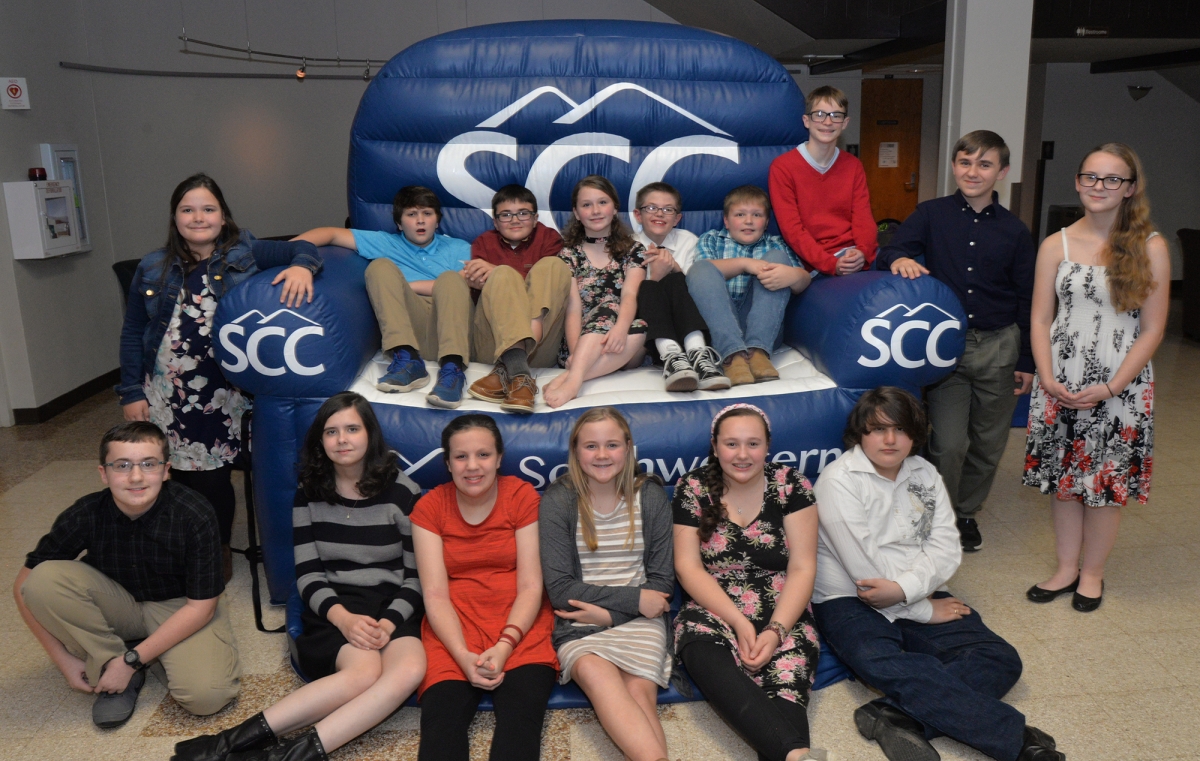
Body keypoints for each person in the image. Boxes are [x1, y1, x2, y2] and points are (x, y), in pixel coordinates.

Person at [812, 387, 1064, 761]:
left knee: (999, 658)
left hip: (920, 589)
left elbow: (946, 546)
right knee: (881, 661)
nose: (890, 439)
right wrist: (925, 611)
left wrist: (914, 593)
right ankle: (1019, 741)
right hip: (848, 598)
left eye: (900, 429)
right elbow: (867, 575)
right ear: (859, 434)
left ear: (915, 434)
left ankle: (896, 716)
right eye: (877, 429)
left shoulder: (924, 472)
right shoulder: (838, 481)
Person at [171, 393, 425, 761]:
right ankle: (226, 743)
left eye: (352, 428)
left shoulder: (403, 492)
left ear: (370, 434)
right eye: (331, 431)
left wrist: (388, 623)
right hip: (336, 604)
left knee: (411, 670)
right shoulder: (308, 494)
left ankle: (281, 757)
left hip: (393, 605)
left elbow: (416, 577)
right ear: (320, 441)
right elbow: (308, 575)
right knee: (364, 674)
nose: (342, 439)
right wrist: (345, 619)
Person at [118, 173, 321, 581]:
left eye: (208, 209)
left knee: (212, 477)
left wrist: (302, 268)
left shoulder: (244, 250)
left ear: (223, 216)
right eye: (187, 209)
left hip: (223, 393)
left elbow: (305, 247)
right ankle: (178, 545)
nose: (198, 217)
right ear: (174, 217)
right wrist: (129, 391)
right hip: (165, 391)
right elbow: (132, 331)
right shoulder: (152, 265)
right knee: (170, 472)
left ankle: (216, 548)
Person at [13, 422, 239, 729]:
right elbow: (23, 585)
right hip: (117, 603)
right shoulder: (86, 512)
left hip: (181, 606)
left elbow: (202, 608)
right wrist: (62, 660)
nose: (135, 477)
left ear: (166, 470)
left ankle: (134, 659)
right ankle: (111, 660)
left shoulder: (194, 513)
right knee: (42, 580)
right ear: (103, 474)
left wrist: (132, 661)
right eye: (122, 466)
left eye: (149, 464)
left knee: (208, 697)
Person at [1023, 143, 1168, 612]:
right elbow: (1041, 319)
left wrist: (1111, 386)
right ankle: (1066, 568)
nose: (1098, 187)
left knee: (1104, 487)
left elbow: (1153, 329)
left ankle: (1092, 574)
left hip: (1119, 389)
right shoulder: (1055, 244)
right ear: (1079, 181)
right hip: (1059, 384)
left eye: (1111, 180)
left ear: (1129, 189)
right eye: (1090, 177)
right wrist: (1046, 377)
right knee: (1064, 483)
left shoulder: (1151, 247)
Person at [875, 130, 1037, 553]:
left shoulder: (1016, 232)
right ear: (954, 166)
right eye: (965, 162)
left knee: (988, 442)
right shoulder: (931, 214)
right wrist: (902, 257)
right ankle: (939, 514)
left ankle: (966, 512)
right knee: (946, 443)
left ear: (1002, 172)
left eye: (984, 164)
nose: (973, 171)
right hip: (947, 347)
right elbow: (887, 251)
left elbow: (1027, 297)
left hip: (1000, 345)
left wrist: (1027, 360)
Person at [672, 404, 824, 761]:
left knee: (783, 706)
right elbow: (688, 568)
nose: (742, 455)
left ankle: (794, 754)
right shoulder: (693, 487)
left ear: (768, 445)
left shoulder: (792, 485)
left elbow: (804, 567)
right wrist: (738, 622)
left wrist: (775, 631)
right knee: (704, 655)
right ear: (715, 446)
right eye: (732, 444)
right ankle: (799, 755)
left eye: (753, 444)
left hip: (784, 607)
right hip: (713, 607)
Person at [411, 415, 558, 760]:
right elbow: (434, 594)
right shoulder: (430, 508)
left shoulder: (521, 496)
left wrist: (506, 645)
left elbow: (531, 585)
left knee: (520, 725)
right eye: (461, 457)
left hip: (521, 627)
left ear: (499, 458)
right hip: (453, 630)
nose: (472, 466)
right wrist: (462, 655)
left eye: (483, 455)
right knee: (441, 725)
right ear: (447, 463)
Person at [539, 408, 675, 761]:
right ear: (575, 451)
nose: (602, 455)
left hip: (641, 623)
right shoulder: (559, 500)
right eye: (591, 446)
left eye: (612, 444)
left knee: (640, 694)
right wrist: (626, 604)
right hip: (581, 621)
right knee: (600, 679)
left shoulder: (651, 497)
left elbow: (660, 584)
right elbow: (560, 588)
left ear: (629, 448)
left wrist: (613, 615)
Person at [293, 186, 473, 408]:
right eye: (411, 214)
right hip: (413, 329)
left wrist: (406, 285)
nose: (420, 221)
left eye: (427, 214)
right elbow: (330, 234)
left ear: (437, 221)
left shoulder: (458, 247)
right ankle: (408, 360)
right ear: (399, 223)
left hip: (453, 330)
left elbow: (464, 282)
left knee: (451, 279)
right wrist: (289, 252)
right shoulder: (386, 242)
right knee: (379, 267)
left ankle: (452, 370)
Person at [462, 185, 572, 414]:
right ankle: (520, 377)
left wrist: (495, 270)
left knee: (553, 265)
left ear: (535, 218)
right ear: (495, 221)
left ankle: (508, 369)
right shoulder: (482, 243)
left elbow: (547, 291)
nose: (515, 220)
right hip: (493, 343)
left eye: (523, 213)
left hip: (541, 341)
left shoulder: (549, 239)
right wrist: (475, 282)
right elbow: (483, 300)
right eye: (506, 215)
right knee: (502, 275)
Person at [686, 186, 811, 387]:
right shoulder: (711, 239)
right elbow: (701, 275)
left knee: (777, 259)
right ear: (726, 221)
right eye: (740, 214)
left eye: (757, 215)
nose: (748, 221)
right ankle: (732, 357)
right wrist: (744, 263)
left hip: (763, 327)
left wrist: (794, 275)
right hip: (720, 326)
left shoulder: (777, 243)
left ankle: (758, 353)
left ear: (767, 222)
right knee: (700, 268)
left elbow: (804, 282)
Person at [543, 176, 648, 408]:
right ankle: (575, 376)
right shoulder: (569, 255)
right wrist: (574, 352)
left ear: (615, 208)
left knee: (639, 325)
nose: (595, 210)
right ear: (577, 213)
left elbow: (630, 295)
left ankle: (571, 379)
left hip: (621, 342)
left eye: (602, 202)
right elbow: (572, 308)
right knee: (609, 305)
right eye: (586, 205)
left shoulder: (634, 250)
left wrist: (620, 330)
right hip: (581, 342)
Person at [769, 85, 877, 276]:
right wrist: (831, 264)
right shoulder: (783, 167)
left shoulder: (853, 165)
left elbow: (863, 218)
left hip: (853, 254)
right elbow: (792, 230)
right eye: (819, 114)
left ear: (845, 123)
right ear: (806, 121)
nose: (828, 122)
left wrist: (863, 252)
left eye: (836, 115)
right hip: (813, 263)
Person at [632, 182, 730, 392]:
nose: (660, 213)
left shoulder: (689, 241)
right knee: (651, 284)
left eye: (668, 209)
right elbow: (630, 295)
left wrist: (674, 268)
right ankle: (671, 356)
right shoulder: (627, 245)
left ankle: (698, 354)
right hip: (650, 329)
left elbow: (697, 287)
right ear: (638, 215)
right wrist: (656, 277)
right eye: (651, 207)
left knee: (677, 278)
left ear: (677, 218)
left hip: (687, 322)